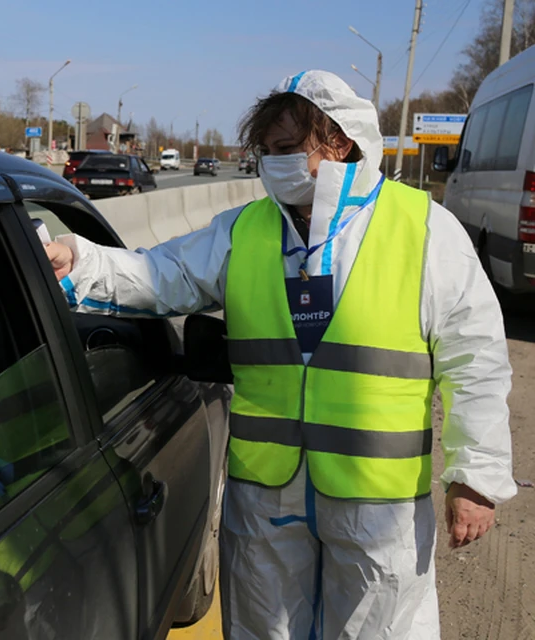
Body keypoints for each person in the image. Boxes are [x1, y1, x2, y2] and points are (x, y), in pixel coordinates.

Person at [44, 70, 516, 639]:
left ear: (340, 142)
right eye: (267, 152)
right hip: (267, 494)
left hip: (377, 501)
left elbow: (477, 359)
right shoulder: (247, 229)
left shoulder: (423, 230)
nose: (274, 164)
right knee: (263, 629)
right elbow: (163, 273)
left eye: (288, 149)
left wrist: (476, 479)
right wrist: (84, 260)